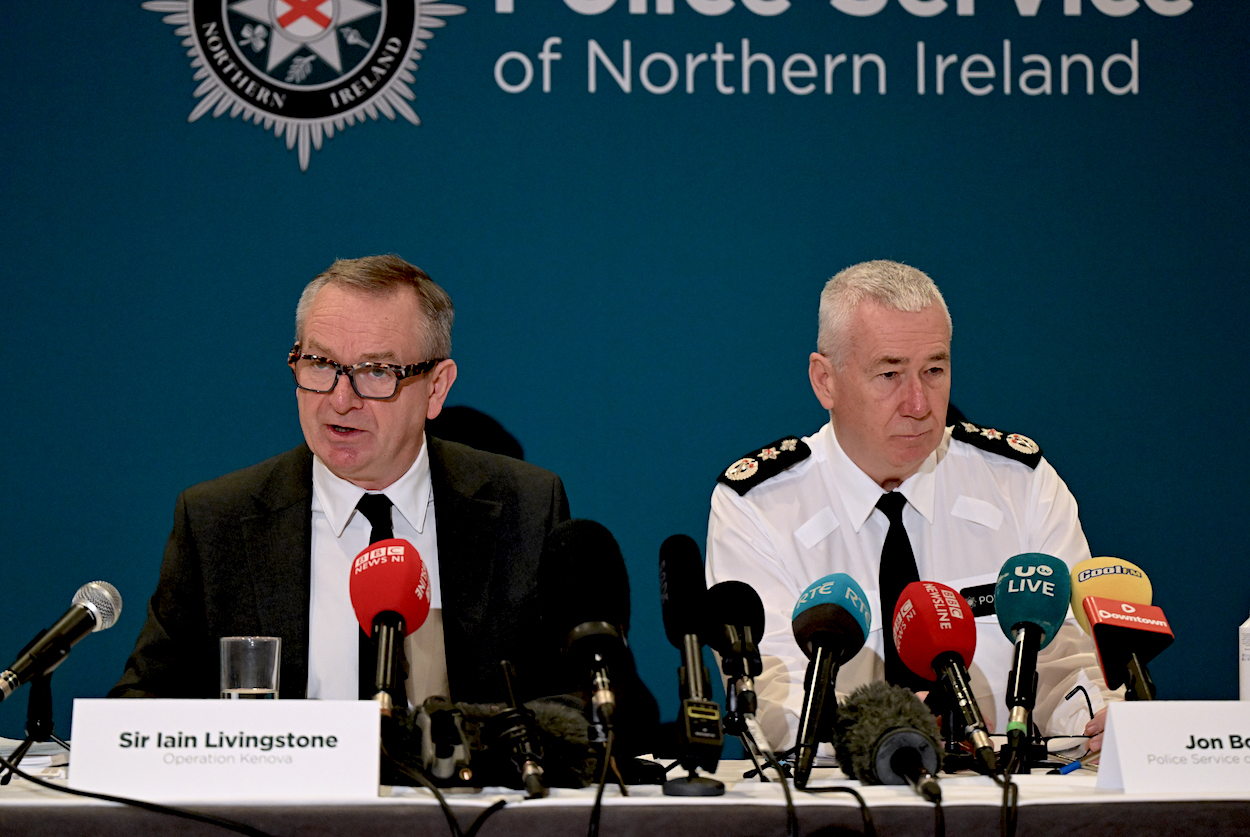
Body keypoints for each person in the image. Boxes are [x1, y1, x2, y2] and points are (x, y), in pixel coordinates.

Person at [110, 255, 570, 706]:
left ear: (436, 388)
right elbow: (139, 706)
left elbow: (578, 705)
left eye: (377, 372)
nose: (340, 399)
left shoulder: (526, 509)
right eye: (320, 363)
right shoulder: (217, 522)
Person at [705, 260, 1116, 754]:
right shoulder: (759, 506)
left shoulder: (1019, 484)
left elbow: (1067, 656)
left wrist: (1096, 721)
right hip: (840, 791)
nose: (919, 404)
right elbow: (771, 693)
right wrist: (885, 729)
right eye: (889, 374)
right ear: (824, 381)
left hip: (1007, 785)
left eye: (934, 370)